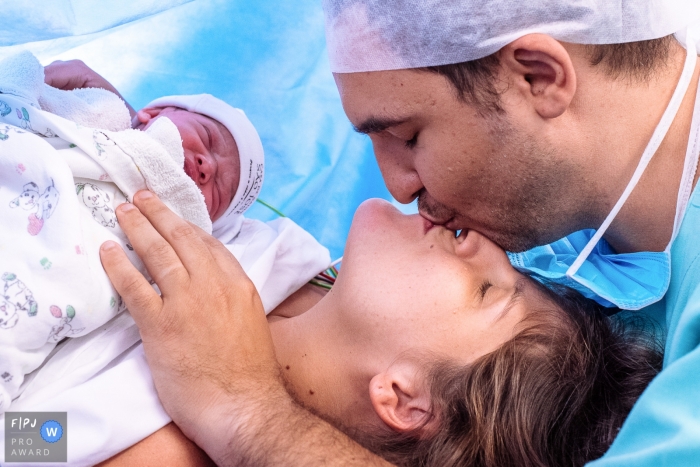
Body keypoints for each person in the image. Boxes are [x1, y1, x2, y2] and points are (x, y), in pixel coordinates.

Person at [94, 1, 700, 466]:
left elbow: (33, 437)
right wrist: (104, 141)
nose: (397, 189)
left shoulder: (151, 430)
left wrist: (245, 412)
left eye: (410, 136)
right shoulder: (314, 272)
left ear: (539, 77)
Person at [100, 195, 660, 467]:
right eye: (513, 269)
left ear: (404, 398)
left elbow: (18, 440)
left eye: (486, 291)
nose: (483, 244)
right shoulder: (310, 279)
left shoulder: (164, 449)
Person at [0, 52, 329, 463]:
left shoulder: (252, 257)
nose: (207, 167)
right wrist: (118, 123)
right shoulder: (112, 124)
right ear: (154, 113)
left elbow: (38, 442)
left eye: (217, 194)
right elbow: (22, 97)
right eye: (208, 140)